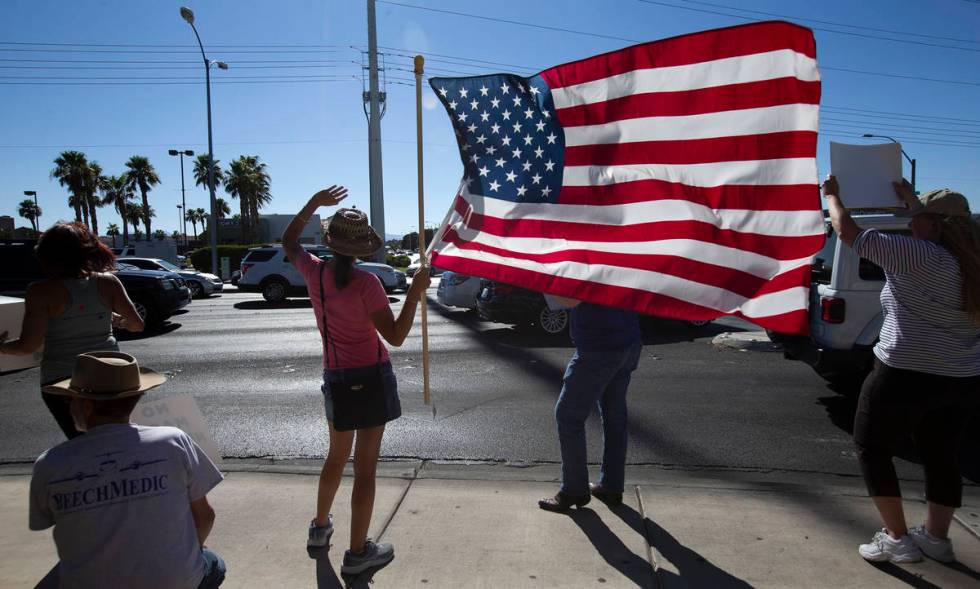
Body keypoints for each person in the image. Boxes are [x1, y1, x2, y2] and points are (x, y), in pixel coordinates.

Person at [823, 175, 980, 564]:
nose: (910, 223)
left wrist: (833, 197)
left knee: (872, 446)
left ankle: (896, 538)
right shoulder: (969, 259)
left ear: (937, 224)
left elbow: (848, 232)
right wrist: (913, 201)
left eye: (918, 218)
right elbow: (929, 226)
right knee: (942, 455)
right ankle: (936, 538)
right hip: (962, 377)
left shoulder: (918, 255)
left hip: (905, 372)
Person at [282, 186, 430, 575]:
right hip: (371, 377)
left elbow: (288, 240)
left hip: (336, 375)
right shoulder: (367, 284)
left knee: (335, 458)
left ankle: (319, 528)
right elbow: (395, 337)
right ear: (364, 248)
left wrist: (313, 203)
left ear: (331, 242)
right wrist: (414, 294)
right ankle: (358, 552)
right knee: (365, 470)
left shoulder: (314, 272)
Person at [29, 351, 226, 588]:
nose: (69, 407)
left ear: (87, 406)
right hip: (175, 582)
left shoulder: (50, 463)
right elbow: (205, 516)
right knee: (212, 562)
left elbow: (47, 521)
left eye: (71, 400)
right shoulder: (173, 441)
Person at [0, 222, 144, 439]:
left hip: (64, 381)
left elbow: (27, 346)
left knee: (82, 443)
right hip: (111, 375)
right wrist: (116, 321)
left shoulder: (41, 291)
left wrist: (2, 348)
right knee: (115, 438)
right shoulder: (108, 282)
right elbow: (136, 325)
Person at [538, 296, 643, 512]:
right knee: (614, 416)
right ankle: (612, 486)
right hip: (629, 340)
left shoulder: (588, 263)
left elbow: (570, 299)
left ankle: (573, 489)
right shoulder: (618, 261)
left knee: (568, 416)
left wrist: (542, 281)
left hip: (600, 346)